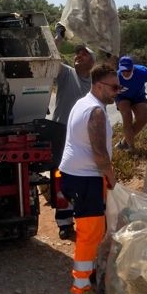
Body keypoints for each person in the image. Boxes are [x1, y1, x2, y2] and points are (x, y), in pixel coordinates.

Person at [58, 63, 120, 294]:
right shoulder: (95, 111)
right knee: (90, 233)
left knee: (92, 230)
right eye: (114, 87)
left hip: (74, 175)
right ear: (98, 85)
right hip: (86, 178)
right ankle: (79, 290)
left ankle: (91, 279)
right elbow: (99, 153)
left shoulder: (82, 102)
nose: (117, 91)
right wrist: (111, 176)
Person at [48, 45, 95, 239]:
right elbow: (52, 60)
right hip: (61, 130)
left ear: (93, 62)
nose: (79, 56)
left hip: (86, 133)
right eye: (78, 53)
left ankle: (86, 218)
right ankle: (64, 221)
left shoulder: (95, 82)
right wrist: (57, 39)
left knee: (86, 176)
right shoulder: (66, 73)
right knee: (61, 176)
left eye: (85, 54)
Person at [115, 55, 147, 150]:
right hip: (122, 97)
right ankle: (131, 148)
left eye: (128, 70)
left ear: (132, 68)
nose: (125, 73)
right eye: (122, 70)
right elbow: (108, 88)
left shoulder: (141, 72)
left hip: (138, 96)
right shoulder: (116, 76)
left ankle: (124, 142)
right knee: (127, 116)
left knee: (143, 119)